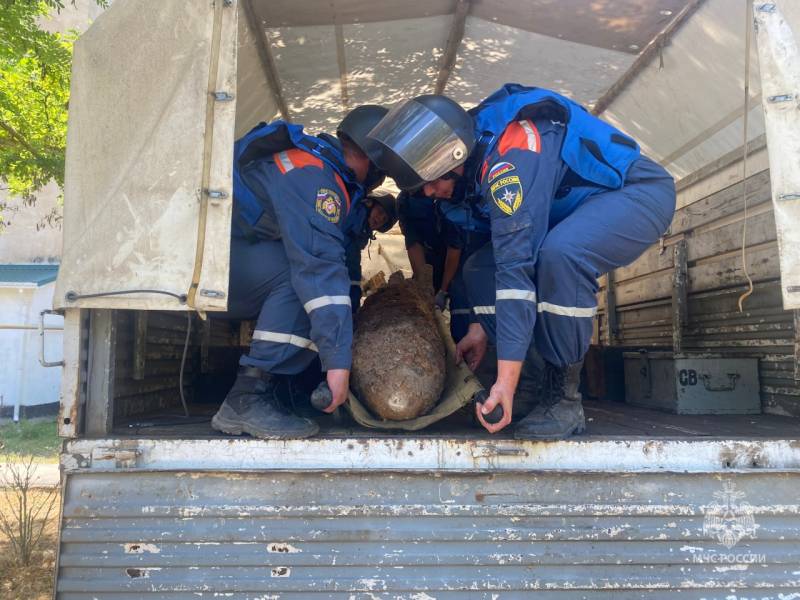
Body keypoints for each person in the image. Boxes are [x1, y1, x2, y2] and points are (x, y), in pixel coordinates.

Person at [364, 84, 676, 440]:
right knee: (479, 267)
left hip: (636, 192)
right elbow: (497, 263)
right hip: (575, 211)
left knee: (562, 255)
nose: (431, 195)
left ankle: (563, 399)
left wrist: (503, 384)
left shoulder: (511, 157)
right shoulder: (474, 167)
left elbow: (516, 269)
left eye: (431, 184)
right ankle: (530, 387)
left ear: (452, 156)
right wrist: (483, 327)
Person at [211, 104, 388, 440]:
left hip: (221, 263)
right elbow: (319, 270)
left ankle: (271, 389)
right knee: (304, 282)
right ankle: (247, 396)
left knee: (309, 281)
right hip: (207, 271)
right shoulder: (316, 179)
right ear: (374, 160)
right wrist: (339, 364)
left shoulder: (318, 166)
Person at [345, 192, 398, 313]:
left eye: (384, 219)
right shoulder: (354, 219)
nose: (380, 219)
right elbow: (350, 262)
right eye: (379, 212)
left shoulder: (361, 229)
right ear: (369, 204)